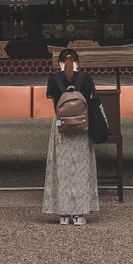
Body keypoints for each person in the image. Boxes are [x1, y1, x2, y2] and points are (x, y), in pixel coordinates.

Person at [42, 47, 100, 226]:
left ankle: (63, 215)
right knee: (81, 171)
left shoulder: (53, 79)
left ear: (60, 62)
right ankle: (79, 215)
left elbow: (53, 99)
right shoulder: (86, 78)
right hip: (82, 128)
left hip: (61, 128)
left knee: (61, 170)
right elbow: (91, 99)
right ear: (77, 62)